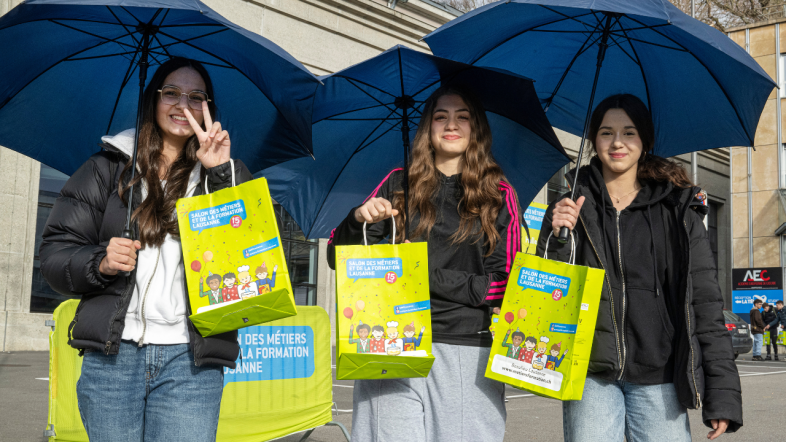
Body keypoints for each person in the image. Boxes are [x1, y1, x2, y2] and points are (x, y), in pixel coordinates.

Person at [39, 57, 252, 441]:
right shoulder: (108, 167)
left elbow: (250, 260)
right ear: (153, 100)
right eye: (171, 93)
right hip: (114, 357)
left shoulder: (227, 175)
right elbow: (55, 255)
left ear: (209, 110)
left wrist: (221, 174)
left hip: (191, 362)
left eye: (196, 97)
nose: (182, 105)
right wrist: (99, 261)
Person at [538, 94, 742, 441]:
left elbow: (705, 303)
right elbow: (545, 290)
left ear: (645, 141)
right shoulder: (570, 205)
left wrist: (721, 396)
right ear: (593, 141)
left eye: (629, 133)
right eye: (606, 133)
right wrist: (558, 236)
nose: (617, 142)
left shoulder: (677, 210)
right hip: (590, 373)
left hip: (660, 375)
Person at [327, 85, 521, 441]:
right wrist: (358, 219)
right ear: (427, 128)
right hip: (389, 342)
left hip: (464, 349)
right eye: (441, 116)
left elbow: (504, 283)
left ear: (475, 128)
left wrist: (420, 274)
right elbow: (336, 256)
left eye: (463, 116)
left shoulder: (499, 194)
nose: (451, 124)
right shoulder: (396, 183)